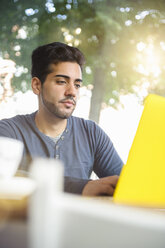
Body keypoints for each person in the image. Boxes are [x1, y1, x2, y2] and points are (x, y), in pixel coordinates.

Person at [0, 42, 123, 196]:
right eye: (61, 82)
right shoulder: (8, 132)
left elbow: (124, 184)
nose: (72, 91)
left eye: (77, 84)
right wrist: (83, 187)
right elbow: (12, 180)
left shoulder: (92, 134)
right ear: (37, 85)